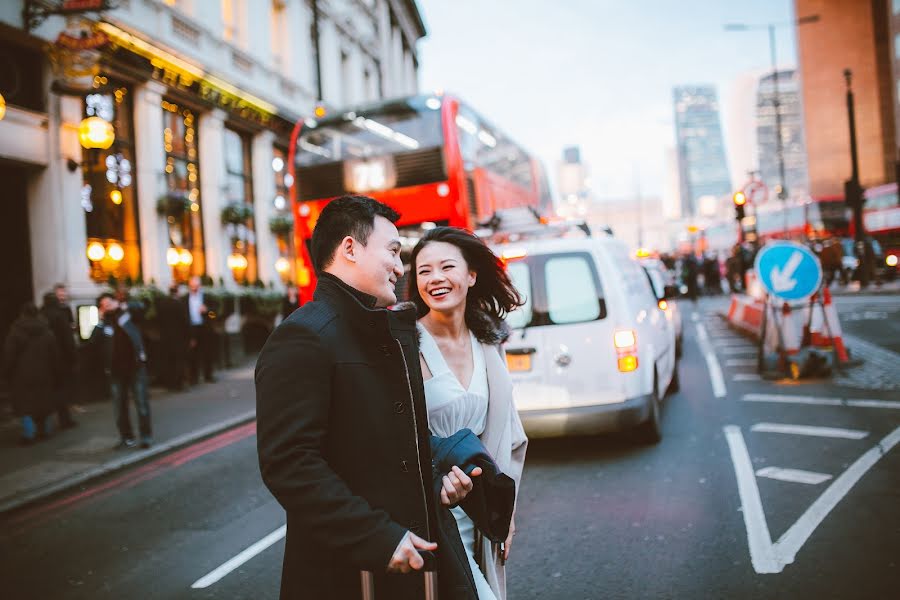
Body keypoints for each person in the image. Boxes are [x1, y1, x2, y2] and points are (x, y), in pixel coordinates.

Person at [256, 195, 483, 600]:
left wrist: (440, 477)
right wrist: (377, 537)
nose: (401, 268)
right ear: (349, 249)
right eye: (393, 252)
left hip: (413, 560)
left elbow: (390, 447)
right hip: (349, 575)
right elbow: (290, 463)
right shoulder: (303, 336)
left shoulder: (388, 331)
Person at [408, 226, 528, 600]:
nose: (436, 278)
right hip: (432, 513)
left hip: (479, 511)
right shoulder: (404, 344)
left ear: (471, 275)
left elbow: (509, 437)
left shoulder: (488, 343)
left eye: (447, 267)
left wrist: (504, 514)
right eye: (424, 270)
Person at [89, 293, 152, 449]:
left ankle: (146, 437)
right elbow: (92, 342)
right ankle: (126, 438)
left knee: (142, 404)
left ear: (116, 302)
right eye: (103, 305)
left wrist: (126, 306)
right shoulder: (105, 325)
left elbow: (144, 306)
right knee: (119, 408)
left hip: (136, 368)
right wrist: (100, 320)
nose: (107, 306)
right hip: (116, 372)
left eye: (109, 303)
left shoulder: (128, 316)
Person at [2, 302, 60, 444]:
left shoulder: (15, 332)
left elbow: (9, 355)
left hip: (22, 374)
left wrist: (6, 373)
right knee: (43, 401)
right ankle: (45, 430)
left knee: (25, 405)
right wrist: (56, 373)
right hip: (44, 373)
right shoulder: (47, 332)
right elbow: (55, 355)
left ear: (22, 314)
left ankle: (29, 434)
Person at [41, 290, 78, 429]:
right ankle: (64, 419)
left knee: (46, 390)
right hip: (60, 358)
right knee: (61, 389)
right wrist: (73, 358)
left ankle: (46, 423)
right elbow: (68, 339)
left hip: (44, 359)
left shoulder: (41, 315)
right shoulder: (60, 315)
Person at [183, 276, 217, 384]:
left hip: (204, 328)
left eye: (196, 286)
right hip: (192, 328)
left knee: (207, 352)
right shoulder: (185, 299)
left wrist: (207, 311)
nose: (194, 289)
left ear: (200, 286)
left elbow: (215, 314)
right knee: (193, 354)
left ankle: (208, 375)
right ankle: (194, 377)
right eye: (192, 286)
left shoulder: (207, 297)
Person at [156, 283, 190, 390]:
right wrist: (188, 336)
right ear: (177, 292)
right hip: (178, 337)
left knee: (168, 360)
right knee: (178, 360)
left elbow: (159, 320)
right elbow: (185, 322)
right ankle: (178, 383)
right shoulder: (179, 304)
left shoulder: (162, 304)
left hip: (165, 337)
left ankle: (170, 383)